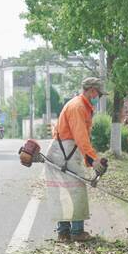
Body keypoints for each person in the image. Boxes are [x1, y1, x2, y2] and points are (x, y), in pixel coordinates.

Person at [45, 77, 108, 242]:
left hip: (67, 151)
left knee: (66, 191)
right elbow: (81, 138)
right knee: (76, 189)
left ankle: (64, 233)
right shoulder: (78, 107)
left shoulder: (83, 107)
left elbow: (82, 138)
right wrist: (94, 159)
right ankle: (76, 232)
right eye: (99, 94)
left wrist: (90, 161)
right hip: (64, 152)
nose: (98, 97)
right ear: (92, 90)